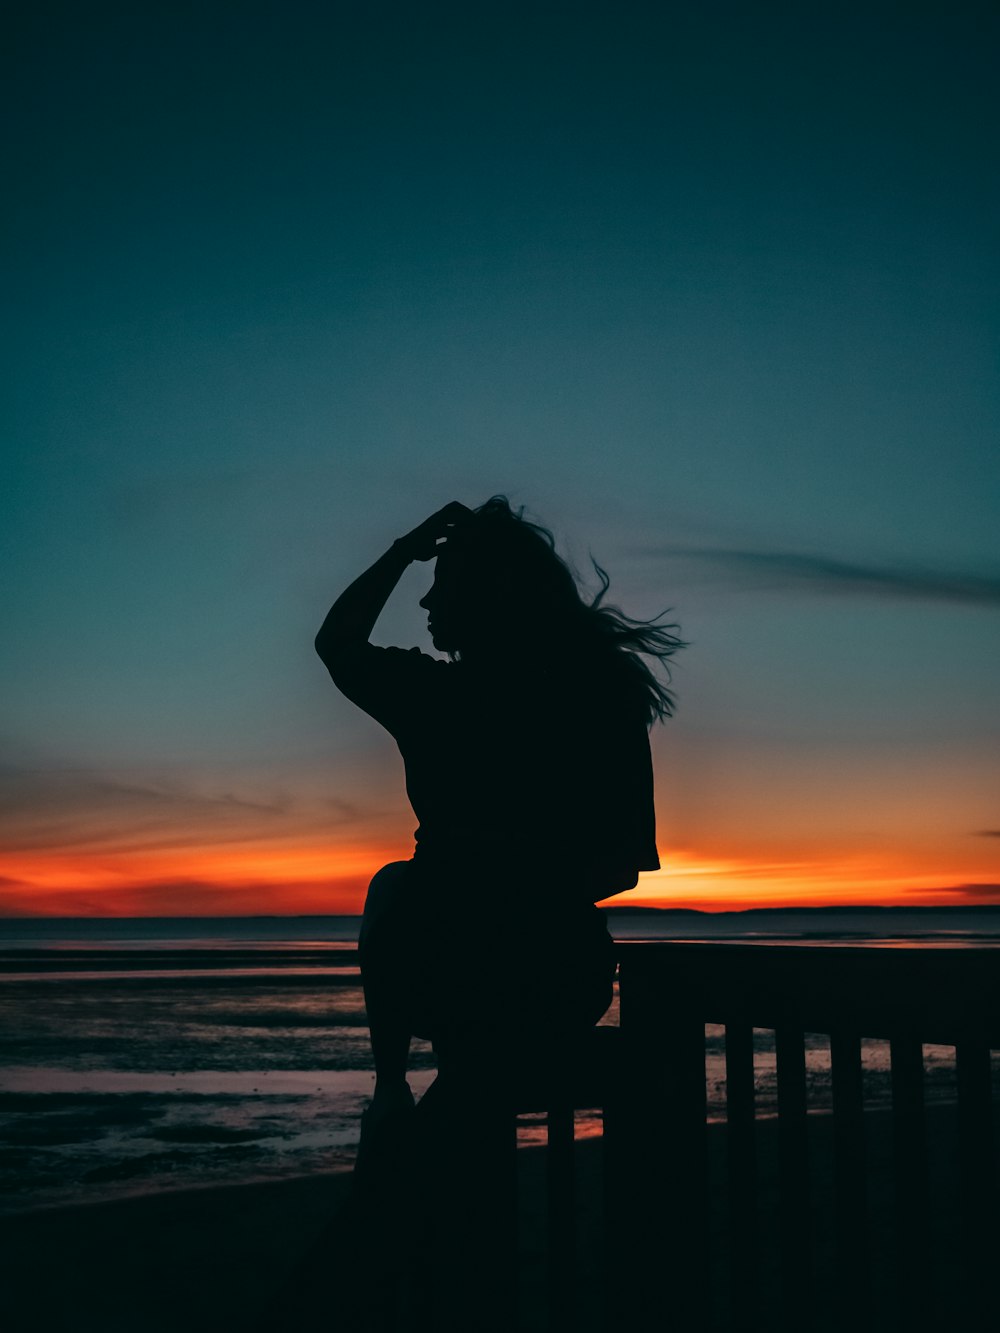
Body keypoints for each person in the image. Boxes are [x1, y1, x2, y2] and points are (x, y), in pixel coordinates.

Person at [315, 497, 683, 1131]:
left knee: (396, 886)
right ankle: (408, 1109)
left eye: (440, 589)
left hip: (458, 962)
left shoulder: (438, 697)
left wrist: (407, 547)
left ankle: (389, 1091)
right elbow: (621, 866)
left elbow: (338, 642)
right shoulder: (603, 695)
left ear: (490, 596)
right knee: (466, 1079)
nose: (426, 605)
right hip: (565, 973)